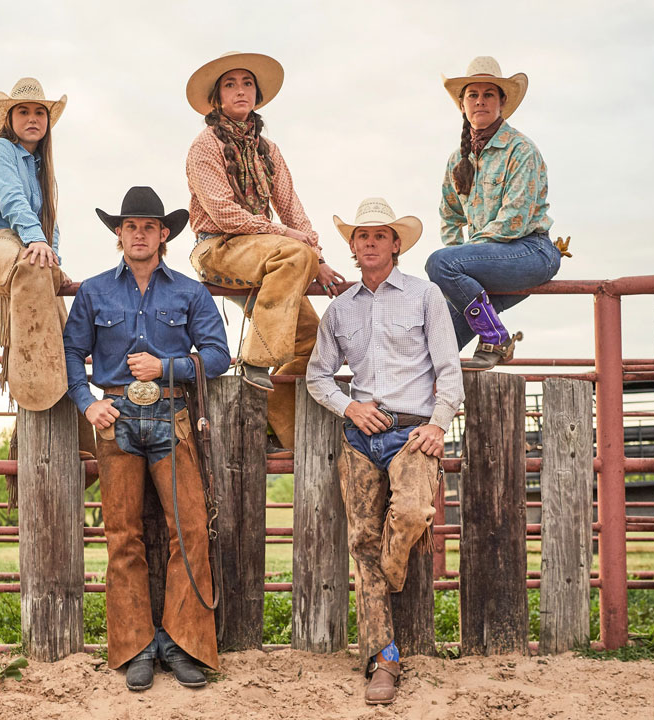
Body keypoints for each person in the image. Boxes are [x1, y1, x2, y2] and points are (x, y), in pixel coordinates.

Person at [63, 186, 231, 692]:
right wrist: (87, 401)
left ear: (164, 234)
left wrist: (168, 367)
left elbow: (218, 354)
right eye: (130, 226)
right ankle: (135, 646)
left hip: (173, 415)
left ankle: (182, 645)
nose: (139, 234)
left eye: (149, 226)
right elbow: (72, 352)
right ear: (119, 234)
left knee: (191, 531)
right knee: (123, 537)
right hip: (115, 421)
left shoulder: (189, 291)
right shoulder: (93, 292)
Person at [307, 198, 464, 705]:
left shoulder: (425, 295)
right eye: (361, 236)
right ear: (352, 247)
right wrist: (350, 410)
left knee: (414, 512)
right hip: (361, 437)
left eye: (380, 235)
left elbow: (448, 370)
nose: (370, 243)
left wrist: (440, 425)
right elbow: (317, 376)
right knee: (360, 541)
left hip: (415, 433)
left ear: (396, 244)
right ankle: (384, 659)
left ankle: (389, 572)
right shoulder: (340, 308)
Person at [184, 51, 345, 451]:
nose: (240, 90)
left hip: (269, 256)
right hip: (218, 248)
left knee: (318, 342)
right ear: (217, 98)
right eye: (230, 84)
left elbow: (293, 208)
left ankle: (274, 416)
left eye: (247, 84)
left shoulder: (269, 151)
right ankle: (255, 360)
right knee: (293, 253)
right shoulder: (204, 146)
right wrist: (291, 241)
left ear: (256, 96)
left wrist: (318, 260)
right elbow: (223, 213)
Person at [426, 57, 566, 370]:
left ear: (502, 102)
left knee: (438, 264)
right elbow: (449, 217)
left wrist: (461, 262)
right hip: (484, 262)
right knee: (433, 345)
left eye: (489, 94)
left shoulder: (521, 150)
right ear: (462, 105)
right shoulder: (456, 161)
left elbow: (513, 221)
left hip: (530, 251)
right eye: (472, 95)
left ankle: (495, 337)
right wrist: (461, 264)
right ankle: (417, 412)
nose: (480, 101)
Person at [0, 77, 72, 410]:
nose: (33, 118)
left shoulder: (40, 166)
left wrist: (54, 256)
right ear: (10, 119)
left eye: (40, 112)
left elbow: (51, 220)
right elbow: (12, 200)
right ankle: (39, 393)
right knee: (35, 267)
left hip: (21, 250)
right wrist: (37, 241)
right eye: (23, 112)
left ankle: (71, 417)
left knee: (48, 278)